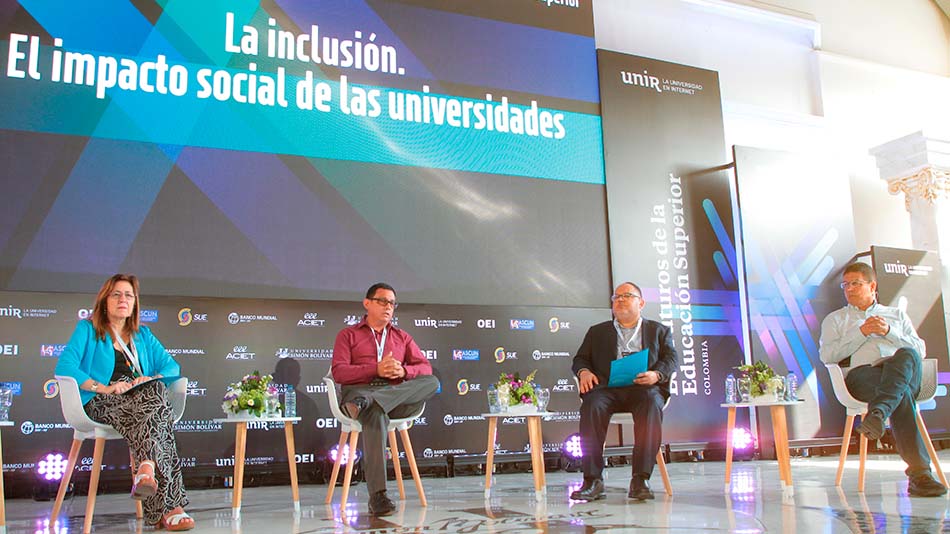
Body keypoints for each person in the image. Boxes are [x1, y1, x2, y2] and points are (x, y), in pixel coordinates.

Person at [55, 274, 195, 530]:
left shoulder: (143, 335)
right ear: (105, 300)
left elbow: (171, 366)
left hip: (142, 402)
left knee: (154, 395)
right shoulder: (88, 329)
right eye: (116, 294)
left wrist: (149, 378)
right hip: (100, 402)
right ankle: (170, 505)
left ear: (135, 303)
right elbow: (66, 366)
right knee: (158, 414)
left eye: (128, 295)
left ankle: (147, 469)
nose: (123, 299)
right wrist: (105, 387)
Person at [819, 262, 946, 497]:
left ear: (872, 286)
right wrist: (861, 332)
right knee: (901, 393)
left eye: (856, 283)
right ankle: (920, 476)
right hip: (865, 377)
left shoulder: (896, 315)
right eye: (845, 285)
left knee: (907, 354)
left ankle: (878, 413)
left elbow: (920, 350)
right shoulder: (836, 320)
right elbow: (827, 355)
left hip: (902, 372)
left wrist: (890, 332)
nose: (849, 289)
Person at [331, 282, 440, 516]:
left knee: (432, 382)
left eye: (392, 303)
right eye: (383, 301)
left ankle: (373, 401)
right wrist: (375, 369)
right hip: (358, 393)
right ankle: (378, 496)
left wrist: (404, 372)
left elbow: (425, 368)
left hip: (392, 398)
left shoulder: (402, 337)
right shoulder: (348, 335)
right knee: (375, 414)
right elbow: (339, 372)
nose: (388, 307)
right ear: (367, 303)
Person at [570, 282, 678, 501]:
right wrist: (583, 372)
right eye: (616, 297)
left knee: (651, 403)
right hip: (607, 389)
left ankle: (640, 479)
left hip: (642, 389)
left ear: (641, 302)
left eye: (626, 295)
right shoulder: (598, 332)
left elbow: (671, 358)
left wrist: (656, 375)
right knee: (591, 405)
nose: (619, 299)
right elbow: (581, 358)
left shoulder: (658, 330)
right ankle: (593, 480)